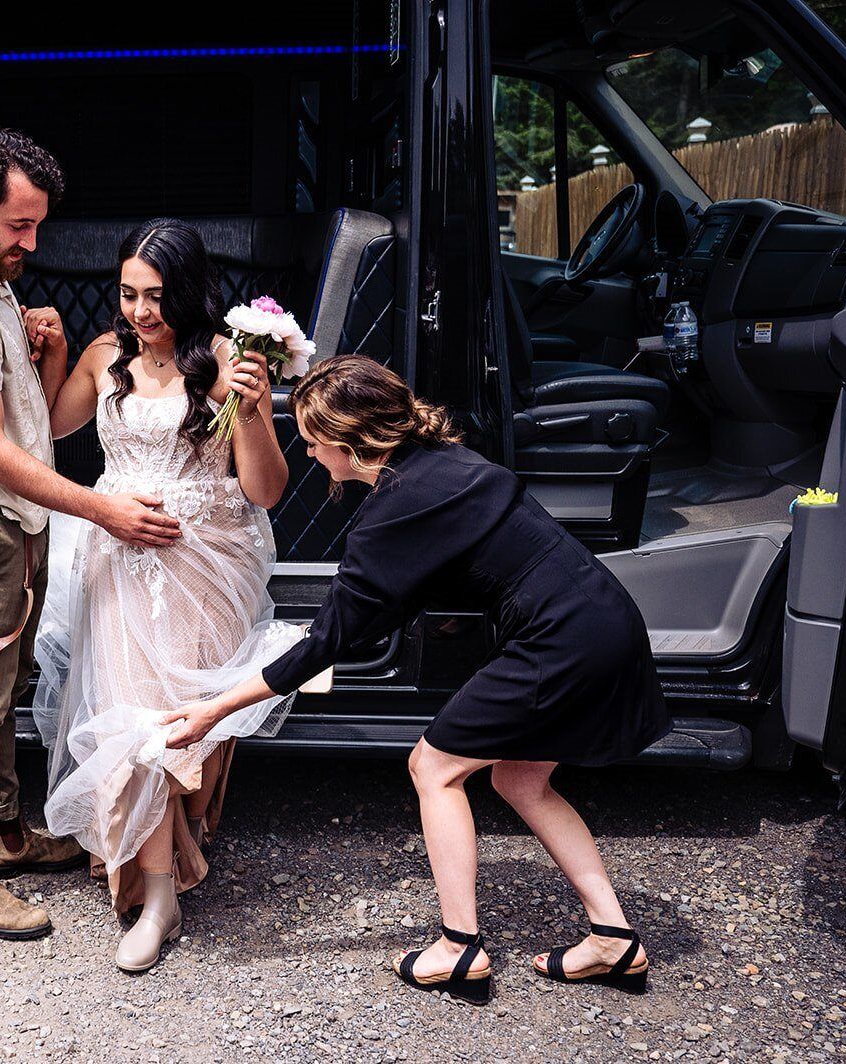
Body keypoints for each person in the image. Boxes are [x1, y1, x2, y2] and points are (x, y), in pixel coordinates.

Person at [162, 355, 672, 1003]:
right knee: (520, 778)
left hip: (561, 638)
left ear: (347, 444)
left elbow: (329, 641)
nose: (312, 456)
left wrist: (214, 709)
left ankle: (459, 948)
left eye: (314, 445)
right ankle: (613, 939)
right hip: (601, 614)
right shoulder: (441, 464)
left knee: (435, 767)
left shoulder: (393, 511)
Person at [0, 128, 184, 941]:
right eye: (19, 226)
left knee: (3, 692)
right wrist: (103, 510)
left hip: (9, 524)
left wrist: (44, 351)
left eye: (37, 224)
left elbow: (28, 423)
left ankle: (7, 833)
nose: (33, 242)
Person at [31, 218, 306, 972]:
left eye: (155, 296)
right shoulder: (105, 355)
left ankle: (177, 845)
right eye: (128, 295)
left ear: (187, 291)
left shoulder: (227, 360)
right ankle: (160, 897)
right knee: (134, 723)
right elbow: (51, 428)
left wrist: (251, 407)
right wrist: (55, 353)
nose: (141, 312)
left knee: (183, 726)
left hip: (205, 563)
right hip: (118, 557)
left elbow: (267, 490)